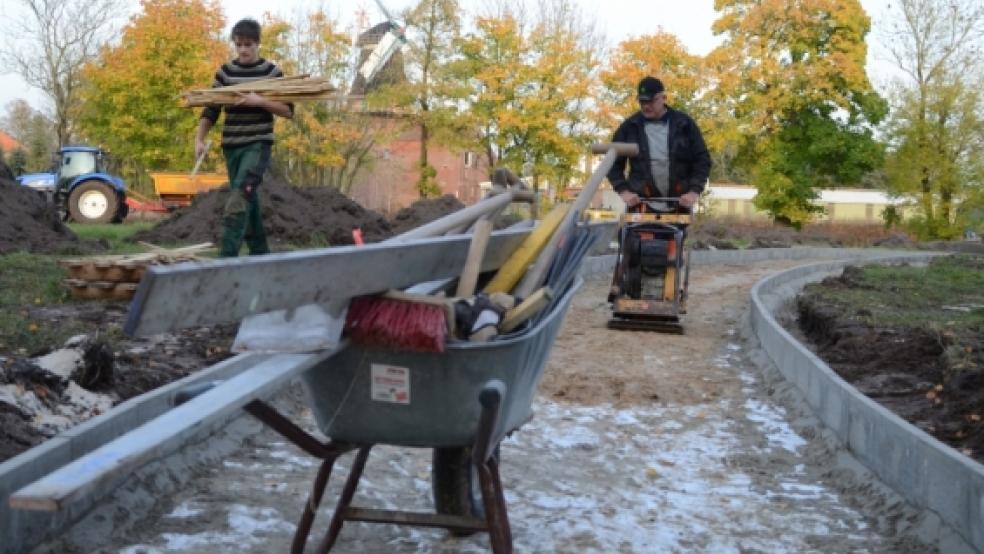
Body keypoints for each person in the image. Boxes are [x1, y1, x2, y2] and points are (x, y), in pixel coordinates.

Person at [194, 18, 294, 257]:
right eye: (239, 45)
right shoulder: (225, 73)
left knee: (239, 197)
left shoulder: (272, 72)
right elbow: (211, 109)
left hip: (257, 145)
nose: (243, 50)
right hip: (231, 147)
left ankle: (226, 258)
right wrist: (199, 139)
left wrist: (260, 102)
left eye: (248, 44)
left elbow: (288, 111)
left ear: (257, 43)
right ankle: (261, 254)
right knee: (249, 199)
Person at [607, 76, 711, 213]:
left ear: (663, 98)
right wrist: (624, 191)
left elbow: (702, 159)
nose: (646, 106)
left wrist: (694, 191)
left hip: (679, 204)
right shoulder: (629, 127)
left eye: (651, 101)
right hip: (641, 204)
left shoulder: (684, 124)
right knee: (632, 234)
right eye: (642, 101)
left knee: (674, 235)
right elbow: (612, 163)